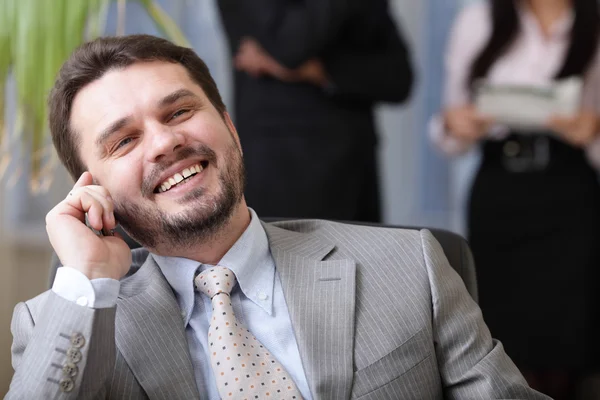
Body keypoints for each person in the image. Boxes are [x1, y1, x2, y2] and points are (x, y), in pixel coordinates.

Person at [6, 35, 548, 400]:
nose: (167, 141)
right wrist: (88, 282)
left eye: (180, 112)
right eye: (124, 140)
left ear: (230, 128)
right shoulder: (61, 318)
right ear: (91, 189)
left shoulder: (410, 265)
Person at [430, 0, 600, 398]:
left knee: (570, 332)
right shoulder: (480, 18)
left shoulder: (593, 24)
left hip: (570, 189)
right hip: (501, 190)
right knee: (503, 331)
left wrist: (591, 129)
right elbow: (448, 126)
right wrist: (456, 124)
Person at [216, 0, 414, 222]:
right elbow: (291, 45)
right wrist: (298, 65)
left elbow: (399, 78)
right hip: (284, 167)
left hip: (357, 169)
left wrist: (318, 71)